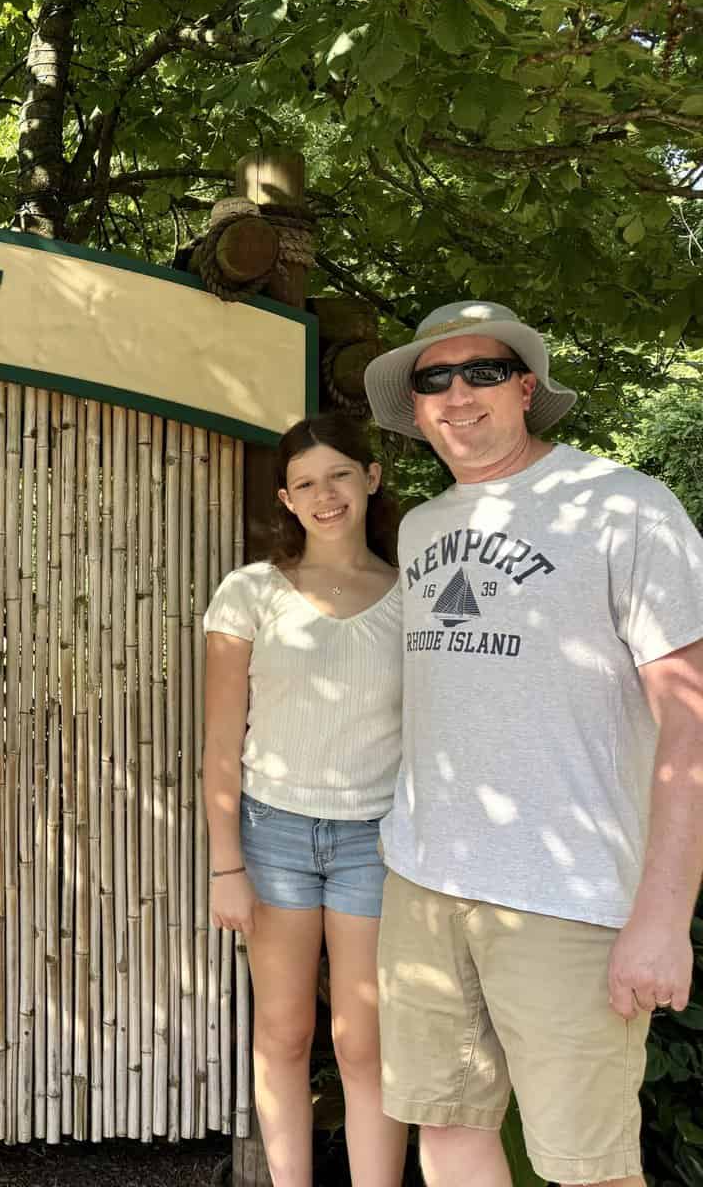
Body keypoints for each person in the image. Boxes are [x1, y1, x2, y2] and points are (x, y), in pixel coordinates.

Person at [364, 300, 703, 1187]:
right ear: (416, 407)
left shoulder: (625, 507)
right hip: (425, 882)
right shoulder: (421, 526)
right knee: (446, 1127)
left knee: (588, 1167)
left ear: (525, 389)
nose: (457, 393)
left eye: (482, 371)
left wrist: (664, 918)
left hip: (568, 895)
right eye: (434, 378)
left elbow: (692, 718)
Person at [202, 412, 409, 1187]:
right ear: (287, 500)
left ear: (371, 479)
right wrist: (227, 865)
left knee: (365, 1043)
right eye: (306, 484)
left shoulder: (414, 596)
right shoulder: (249, 593)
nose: (326, 496)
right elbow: (220, 742)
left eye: (340, 476)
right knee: (284, 1033)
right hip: (273, 836)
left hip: (375, 841)